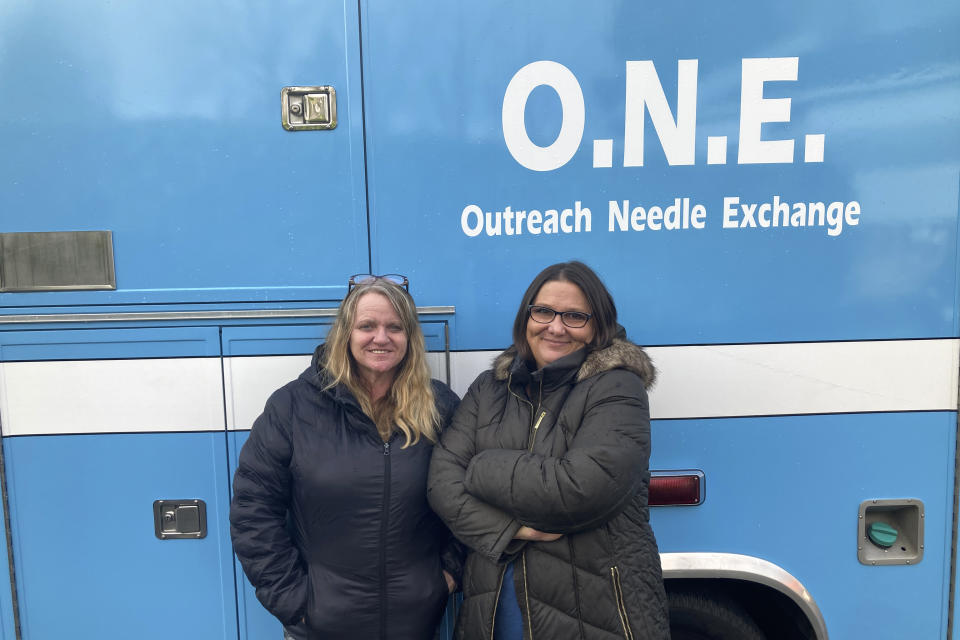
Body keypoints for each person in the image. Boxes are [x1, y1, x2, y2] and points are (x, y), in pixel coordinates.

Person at [427, 261, 671, 639]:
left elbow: (578, 489)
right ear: (527, 317)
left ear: (596, 326)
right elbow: (441, 484)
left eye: (574, 316)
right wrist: (510, 529)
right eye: (543, 312)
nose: (555, 327)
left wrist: (481, 467)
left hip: (593, 617)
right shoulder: (490, 388)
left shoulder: (618, 389)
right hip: (493, 615)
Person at [230, 274, 461, 640]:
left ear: (410, 338)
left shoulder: (440, 407)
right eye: (367, 326)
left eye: (394, 327)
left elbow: (470, 497)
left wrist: (446, 576)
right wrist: (296, 602)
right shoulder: (292, 407)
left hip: (414, 625)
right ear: (345, 334)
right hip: (319, 627)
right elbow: (252, 511)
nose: (381, 338)